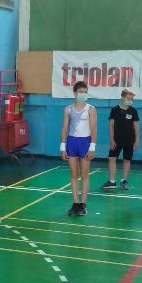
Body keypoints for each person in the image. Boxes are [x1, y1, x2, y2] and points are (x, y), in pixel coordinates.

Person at [60, 81, 97, 216]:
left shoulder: (90, 109)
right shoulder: (68, 109)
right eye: (81, 92)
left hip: (85, 142)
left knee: (85, 174)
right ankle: (75, 203)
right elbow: (64, 128)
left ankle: (83, 204)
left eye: (85, 92)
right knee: (73, 174)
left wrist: (92, 147)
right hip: (72, 142)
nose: (83, 94)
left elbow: (94, 129)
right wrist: (63, 146)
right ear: (75, 93)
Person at [102, 88, 139, 191]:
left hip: (130, 140)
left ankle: (123, 181)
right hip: (116, 140)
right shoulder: (114, 110)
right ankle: (112, 181)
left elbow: (136, 126)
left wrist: (137, 140)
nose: (130, 100)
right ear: (122, 97)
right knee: (112, 158)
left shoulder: (133, 111)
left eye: (131, 99)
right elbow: (111, 125)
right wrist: (111, 139)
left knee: (127, 160)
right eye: (128, 98)